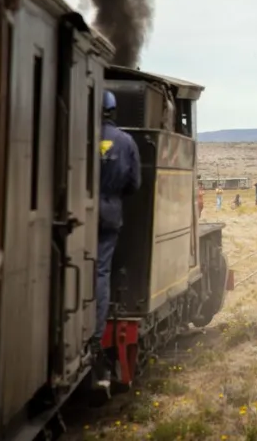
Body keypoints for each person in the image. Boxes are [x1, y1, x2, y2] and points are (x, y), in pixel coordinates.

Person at [93, 90, 141, 390]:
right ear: (112, 110)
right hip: (109, 212)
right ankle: (95, 334)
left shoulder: (78, 135)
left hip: (76, 208)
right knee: (101, 271)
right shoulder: (125, 142)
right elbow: (134, 183)